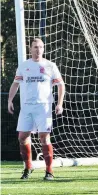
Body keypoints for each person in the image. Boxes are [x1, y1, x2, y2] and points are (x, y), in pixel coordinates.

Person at [8, 38, 65, 181]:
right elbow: (15, 84)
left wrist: (59, 103)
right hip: (27, 107)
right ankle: (28, 167)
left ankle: (49, 171)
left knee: (44, 137)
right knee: (22, 137)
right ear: (30, 49)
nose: (38, 50)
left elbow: (61, 85)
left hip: (43, 108)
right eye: (35, 47)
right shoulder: (24, 65)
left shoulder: (50, 66)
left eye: (40, 47)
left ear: (43, 49)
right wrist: (10, 100)